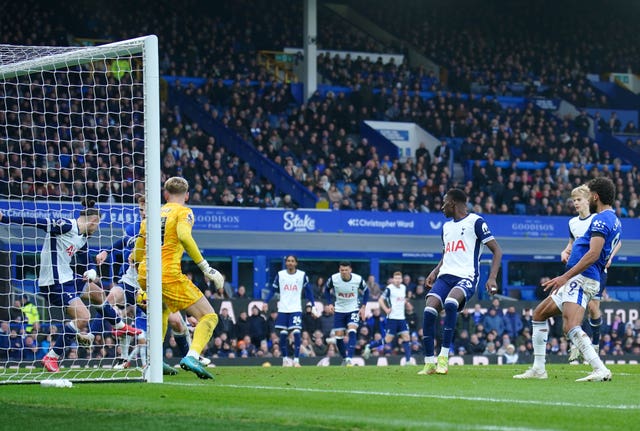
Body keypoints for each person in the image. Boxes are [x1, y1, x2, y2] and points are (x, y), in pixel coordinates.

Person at [0, 200, 141, 372]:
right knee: (84, 317)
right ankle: (52, 356)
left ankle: (119, 326)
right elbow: (38, 222)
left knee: (97, 292)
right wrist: (4, 217)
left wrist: (90, 270)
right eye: (97, 226)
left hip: (67, 277)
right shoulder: (66, 226)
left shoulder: (82, 238)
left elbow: (84, 261)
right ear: (93, 221)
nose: (96, 230)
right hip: (54, 282)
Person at [514, 177, 621, 382]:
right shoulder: (613, 219)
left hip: (582, 278)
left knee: (570, 326)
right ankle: (538, 369)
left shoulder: (600, 220)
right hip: (578, 277)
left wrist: (564, 276)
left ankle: (600, 368)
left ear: (595, 197)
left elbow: (593, 254)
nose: (585, 199)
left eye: (588, 195)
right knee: (538, 314)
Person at [134, 176, 224, 379]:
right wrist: (206, 268)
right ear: (187, 195)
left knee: (163, 310)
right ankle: (192, 356)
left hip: (144, 274)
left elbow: (138, 253)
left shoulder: (151, 215)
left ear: (165, 195)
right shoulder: (184, 212)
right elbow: (184, 235)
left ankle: (154, 361)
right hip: (167, 275)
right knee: (209, 316)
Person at [418, 188, 502, 375]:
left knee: (450, 303)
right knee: (429, 309)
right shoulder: (446, 227)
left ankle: (444, 358)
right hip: (445, 275)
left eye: (444, 203)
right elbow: (447, 253)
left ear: (453, 203)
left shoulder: (476, 222)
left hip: (467, 276)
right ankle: (429, 362)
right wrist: (435, 270)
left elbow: (497, 251)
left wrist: (492, 277)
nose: (441, 207)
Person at [560, 185, 622, 363]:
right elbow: (572, 243)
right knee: (574, 308)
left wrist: (609, 257)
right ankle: (576, 347)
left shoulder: (599, 218)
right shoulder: (572, 223)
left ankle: (594, 343)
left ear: (589, 199)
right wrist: (565, 252)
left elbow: (617, 242)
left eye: (579, 199)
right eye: (574, 200)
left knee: (593, 308)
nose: (576, 203)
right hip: (578, 270)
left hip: (596, 270)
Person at [265, 255, 314, 367]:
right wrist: (265, 301)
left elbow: (309, 291)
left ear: (296, 263)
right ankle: (285, 359)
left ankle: (296, 360)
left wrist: (313, 304)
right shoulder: (280, 275)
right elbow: (273, 290)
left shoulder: (302, 275)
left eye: (292, 261)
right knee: (283, 334)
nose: (290, 263)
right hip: (283, 308)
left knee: (296, 332)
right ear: (286, 263)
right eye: (288, 261)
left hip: (296, 308)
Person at [362, 271, 414, 365]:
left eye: (399, 278)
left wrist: (406, 302)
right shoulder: (389, 288)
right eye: (396, 278)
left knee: (406, 337)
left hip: (401, 318)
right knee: (387, 340)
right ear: (393, 279)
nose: (398, 280)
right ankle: (369, 346)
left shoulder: (403, 288)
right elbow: (380, 300)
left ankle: (408, 361)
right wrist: (386, 309)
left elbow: (401, 299)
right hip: (392, 318)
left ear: (401, 280)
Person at [324, 261, 369, 366]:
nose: (344, 272)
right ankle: (344, 358)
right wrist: (330, 303)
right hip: (339, 309)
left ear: (350, 270)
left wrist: (363, 307)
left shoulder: (358, 279)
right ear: (339, 270)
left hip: (353, 308)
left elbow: (366, 291)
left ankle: (349, 358)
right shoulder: (334, 278)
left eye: (346, 270)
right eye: (342, 270)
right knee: (339, 337)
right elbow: (326, 289)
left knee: (352, 330)